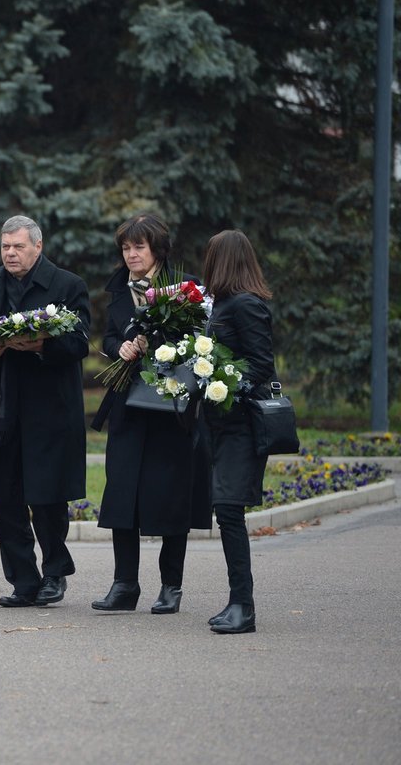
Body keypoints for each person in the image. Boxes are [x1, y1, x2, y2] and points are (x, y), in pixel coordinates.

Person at [0, 215, 90, 608]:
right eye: (5, 247)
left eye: (18, 247)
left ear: (38, 246)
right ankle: (23, 580)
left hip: (49, 408)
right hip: (2, 410)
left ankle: (54, 573)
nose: (10, 254)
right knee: (6, 498)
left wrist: (39, 345)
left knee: (47, 496)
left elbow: (80, 342)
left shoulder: (67, 285)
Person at [91, 214, 211, 614]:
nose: (130, 254)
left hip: (169, 403)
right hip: (128, 402)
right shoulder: (119, 287)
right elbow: (108, 335)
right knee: (122, 491)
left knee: (171, 493)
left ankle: (170, 586)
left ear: (157, 248)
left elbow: (201, 337)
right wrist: (120, 347)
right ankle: (124, 585)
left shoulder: (185, 287)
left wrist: (161, 342)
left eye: (138, 247)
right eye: (125, 248)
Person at [202, 229, 277, 634]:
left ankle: (243, 606)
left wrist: (219, 377)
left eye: (211, 258)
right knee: (226, 509)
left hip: (243, 425)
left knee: (229, 508)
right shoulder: (225, 304)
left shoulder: (245, 304)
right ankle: (238, 601)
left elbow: (261, 364)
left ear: (223, 261)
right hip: (223, 423)